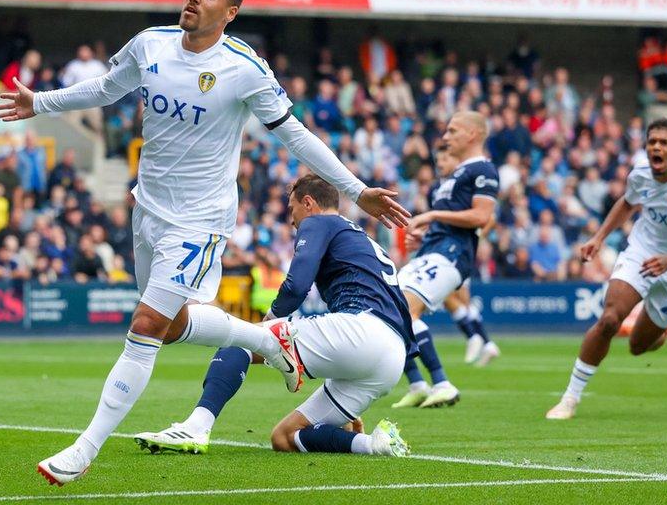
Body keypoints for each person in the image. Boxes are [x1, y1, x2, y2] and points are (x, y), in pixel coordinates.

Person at [0, 0, 410, 486]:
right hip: (148, 209)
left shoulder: (245, 67)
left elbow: (296, 135)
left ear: (230, 11)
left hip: (201, 219)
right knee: (168, 328)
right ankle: (268, 342)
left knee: (144, 326)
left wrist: (356, 190)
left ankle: (84, 449)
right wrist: (40, 103)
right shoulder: (151, 44)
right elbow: (104, 88)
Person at [134, 175, 414, 457]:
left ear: (308, 203)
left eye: (292, 210)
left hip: (362, 330)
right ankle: (375, 444)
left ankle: (196, 427)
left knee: (241, 342)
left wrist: (266, 322)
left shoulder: (320, 221)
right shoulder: (361, 238)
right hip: (392, 356)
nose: (292, 222)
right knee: (285, 437)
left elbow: (296, 286)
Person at [547, 119, 667, 420]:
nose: (656, 146)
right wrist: (599, 238)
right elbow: (627, 204)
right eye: (652, 141)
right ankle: (570, 399)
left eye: (664, 142)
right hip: (642, 252)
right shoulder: (641, 172)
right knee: (609, 320)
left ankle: (657, 333)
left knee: (638, 346)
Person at [391, 112, 498, 409]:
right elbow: (449, 227)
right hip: (433, 251)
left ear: (472, 135)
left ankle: (442, 383)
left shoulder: (482, 169)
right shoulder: (451, 179)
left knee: (404, 310)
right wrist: (422, 239)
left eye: (452, 131)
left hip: (452, 256)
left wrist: (433, 215)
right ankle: (417, 383)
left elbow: (481, 217)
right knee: (387, 307)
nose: (445, 137)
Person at [414, 147, 499, 367]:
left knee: (458, 299)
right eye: (438, 158)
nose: (440, 162)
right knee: (453, 299)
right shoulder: (435, 189)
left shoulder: (465, 182)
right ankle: (483, 341)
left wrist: (477, 236)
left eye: (445, 157)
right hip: (438, 247)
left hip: (457, 250)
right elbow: (440, 222)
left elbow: (488, 217)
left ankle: (477, 338)